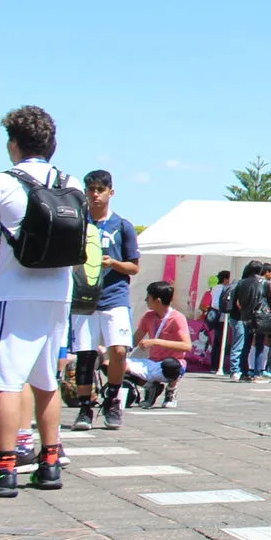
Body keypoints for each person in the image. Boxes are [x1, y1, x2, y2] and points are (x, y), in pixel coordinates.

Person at [0, 106, 77, 498]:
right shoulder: (70, 182)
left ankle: (5, 466)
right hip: (59, 292)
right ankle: (50, 461)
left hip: (13, 291)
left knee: (7, 380)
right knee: (47, 380)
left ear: (13, 143)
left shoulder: (0, 184)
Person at [67, 170, 140, 429]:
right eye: (91, 190)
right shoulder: (78, 223)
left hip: (114, 296)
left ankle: (112, 399)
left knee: (119, 350)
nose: (95, 195)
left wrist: (114, 263)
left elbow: (134, 267)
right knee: (85, 355)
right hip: (84, 298)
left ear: (111, 192)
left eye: (101, 189)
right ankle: (85, 407)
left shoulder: (122, 226)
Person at [129, 279, 193, 408]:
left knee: (170, 364)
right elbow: (134, 340)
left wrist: (156, 342)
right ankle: (151, 387)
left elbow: (187, 346)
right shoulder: (148, 316)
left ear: (157, 300)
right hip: (152, 361)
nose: (146, 300)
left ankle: (171, 390)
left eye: (148, 298)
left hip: (171, 363)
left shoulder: (177, 318)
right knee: (115, 365)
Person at [229, 261, 271, 383]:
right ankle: (257, 373)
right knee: (259, 345)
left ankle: (244, 372)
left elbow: (238, 301)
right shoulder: (265, 282)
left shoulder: (242, 282)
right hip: (260, 317)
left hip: (245, 316)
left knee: (246, 345)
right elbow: (270, 300)